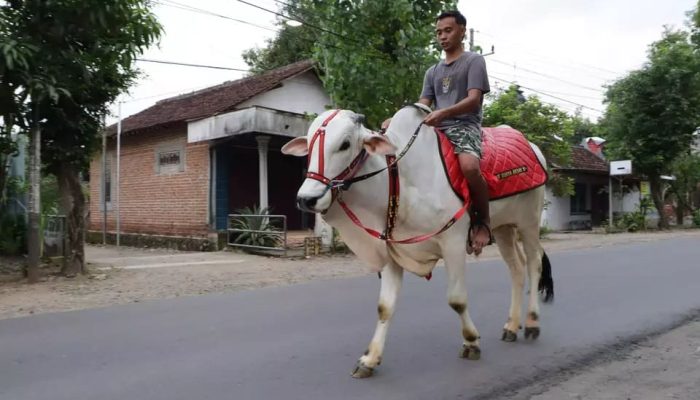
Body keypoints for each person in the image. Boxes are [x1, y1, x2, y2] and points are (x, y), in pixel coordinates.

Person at [385, 10, 491, 254]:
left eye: (448, 30)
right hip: (437, 128)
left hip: (465, 126)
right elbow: (423, 105)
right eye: (439, 32)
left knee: (469, 167)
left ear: (462, 30)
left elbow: (474, 100)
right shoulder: (432, 71)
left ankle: (483, 221)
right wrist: (399, 117)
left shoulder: (474, 61)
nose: (443, 36)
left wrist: (443, 113)